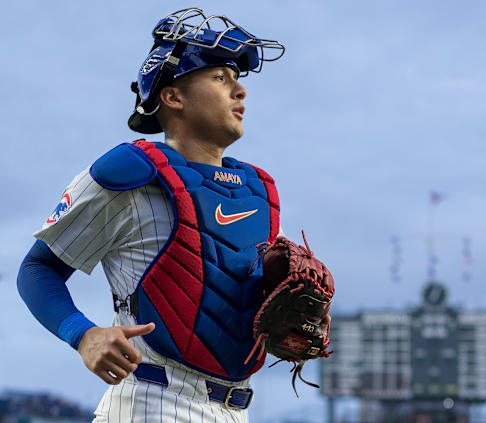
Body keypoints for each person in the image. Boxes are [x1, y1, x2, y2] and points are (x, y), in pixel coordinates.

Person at [17, 8, 289, 422]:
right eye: (220, 78)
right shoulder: (131, 173)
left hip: (237, 409)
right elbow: (37, 270)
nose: (240, 92)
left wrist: (297, 324)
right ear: (173, 96)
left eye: (237, 80)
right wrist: (83, 334)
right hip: (153, 401)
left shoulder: (257, 194)